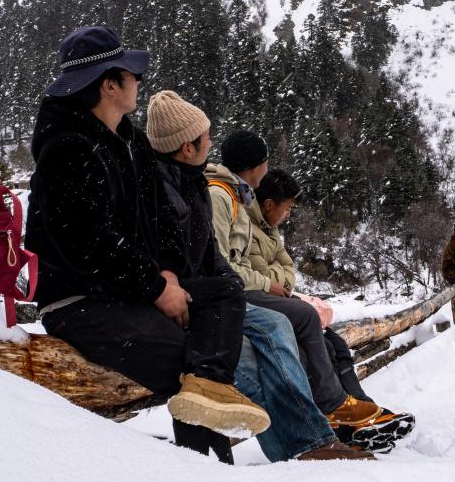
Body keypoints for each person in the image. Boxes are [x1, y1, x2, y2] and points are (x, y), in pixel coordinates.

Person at [24, 26, 267, 463]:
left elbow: (154, 219)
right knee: (187, 362)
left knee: (225, 293)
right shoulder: (68, 149)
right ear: (109, 85)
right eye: (132, 75)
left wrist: (167, 271)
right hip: (79, 301)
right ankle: (204, 462)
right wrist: (155, 287)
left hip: (127, 288)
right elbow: (87, 244)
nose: (139, 82)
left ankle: (210, 419)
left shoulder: (129, 141)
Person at [145, 91, 372, 462]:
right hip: (196, 301)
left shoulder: (200, 187)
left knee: (282, 331)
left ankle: (312, 440)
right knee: (259, 352)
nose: (211, 144)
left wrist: (231, 286)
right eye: (206, 137)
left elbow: (216, 256)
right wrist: (239, 285)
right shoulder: (198, 192)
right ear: (187, 147)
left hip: (217, 297)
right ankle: (309, 443)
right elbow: (187, 258)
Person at [205, 131, 382, 430]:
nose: (268, 166)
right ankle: (331, 405)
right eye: (265, 160)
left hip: (241, 288)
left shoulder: (237, 197)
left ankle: (346, 405)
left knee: (329, 340)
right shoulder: (221, 196)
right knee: (303, 317)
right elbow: (223, 264)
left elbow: (285, 266)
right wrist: (267, 283)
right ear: (253, 165)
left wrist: (271, 280)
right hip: (232, 293)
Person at [246, 168, 415, 453]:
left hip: (276, 301)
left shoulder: (270, 230)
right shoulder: (248, 227)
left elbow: (287, 273)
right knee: (314, 343)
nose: (288, 215)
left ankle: (361, 411)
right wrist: (275, 276)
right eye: (287, 209)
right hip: (261, 304)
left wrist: (276, 276)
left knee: (335, 343)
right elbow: (261, 277)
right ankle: (341, 416)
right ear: (269, 204)